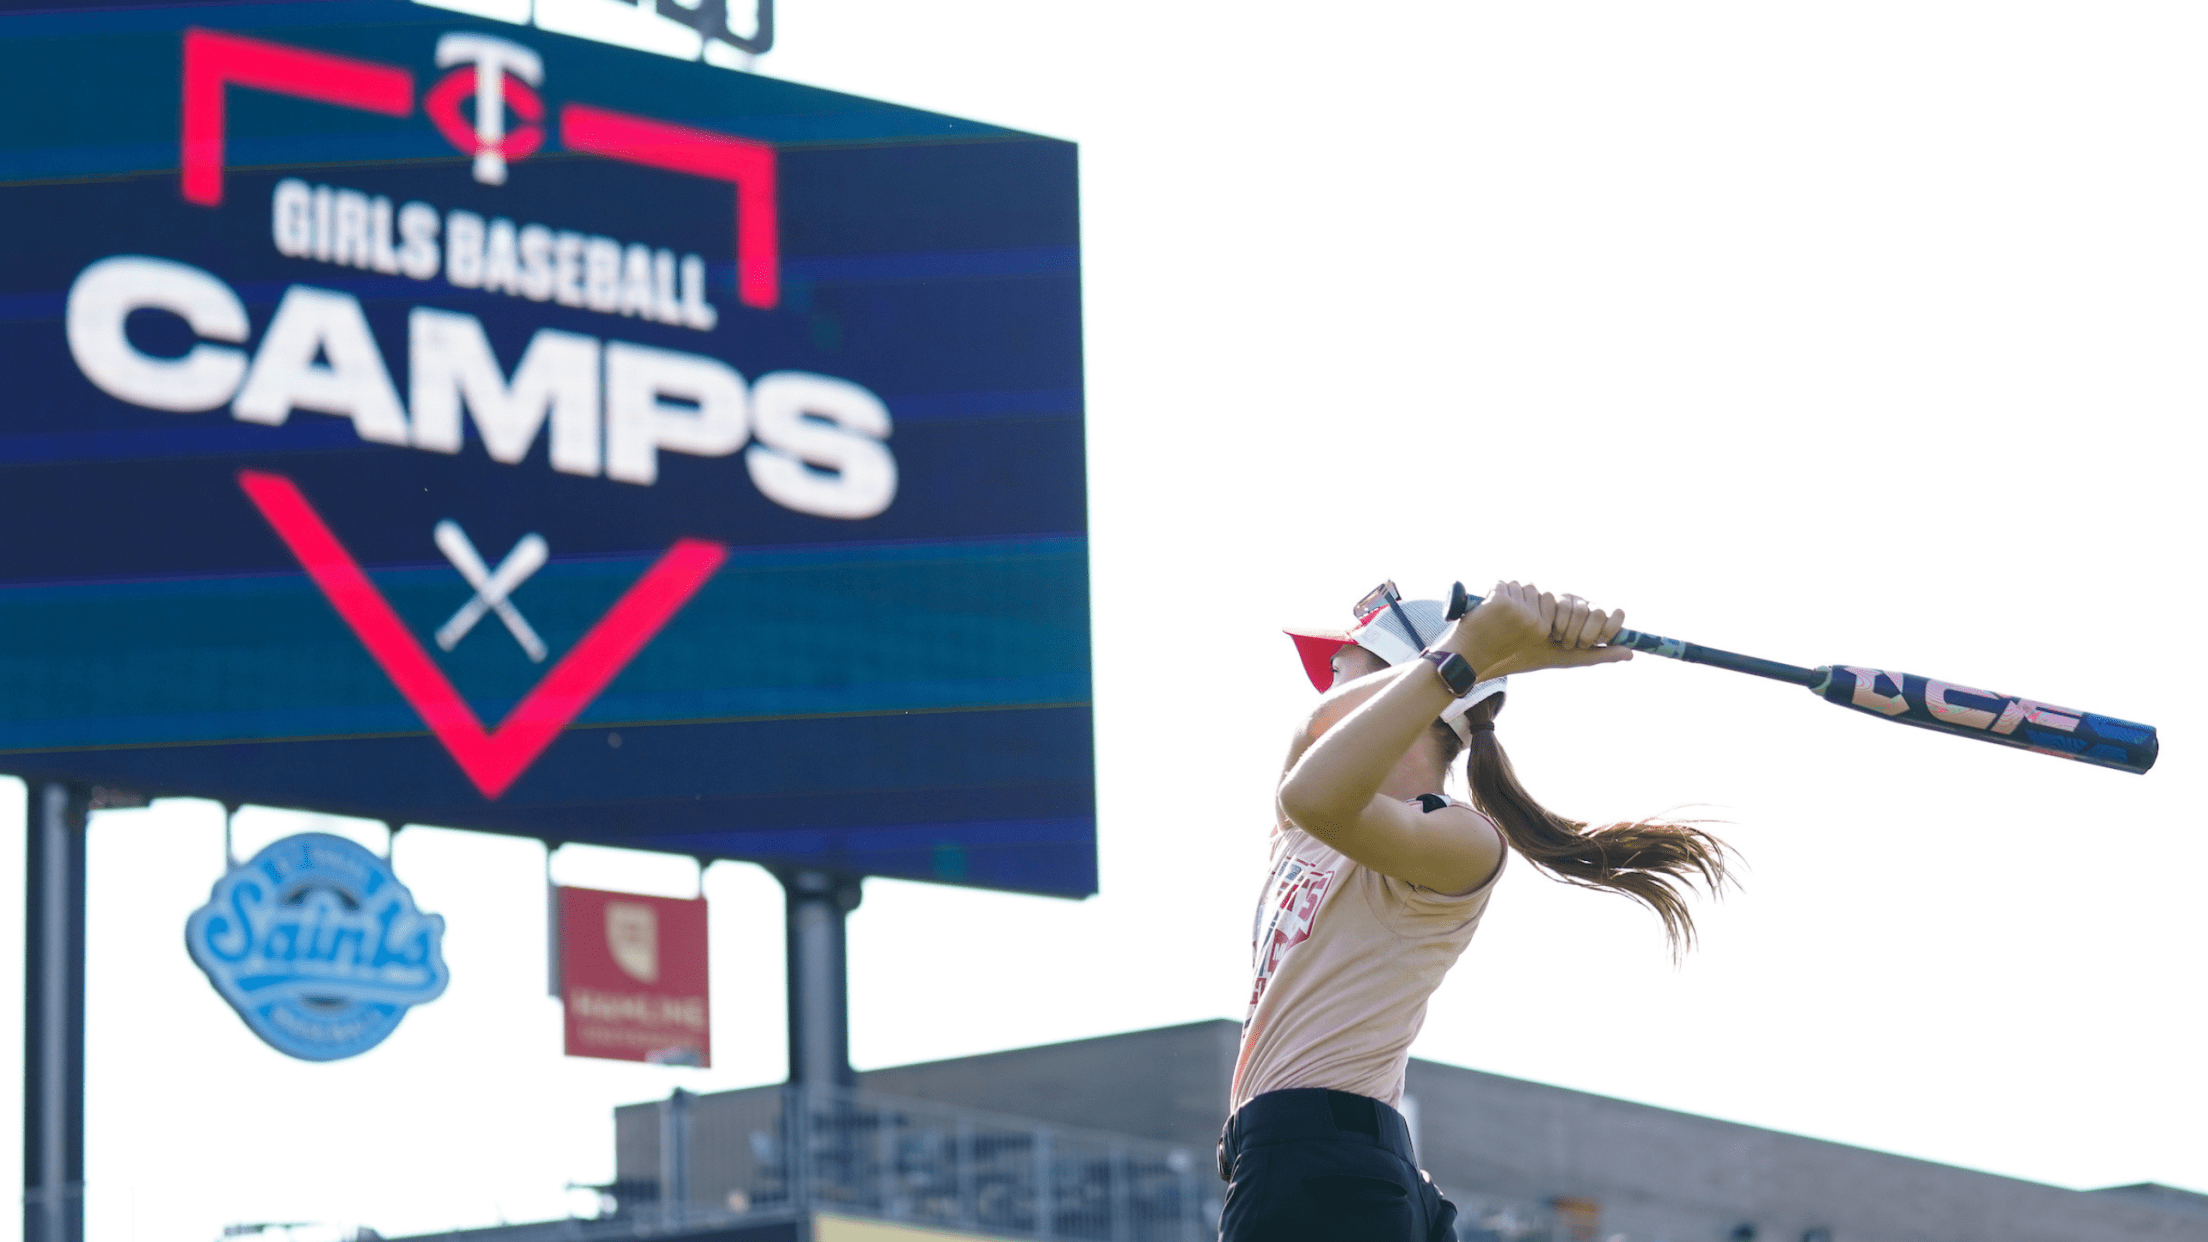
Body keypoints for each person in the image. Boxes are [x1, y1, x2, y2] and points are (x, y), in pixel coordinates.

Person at [1218, 581, 1731, 1242]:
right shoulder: (1307, 825)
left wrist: (1470, 656)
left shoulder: (1459, 836)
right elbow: (1315, 737)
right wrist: (1483, 657)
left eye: (1342, 666)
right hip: (1319, 1166)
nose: (1326, 686)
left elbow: (1316, 784)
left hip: (1319, 1166)